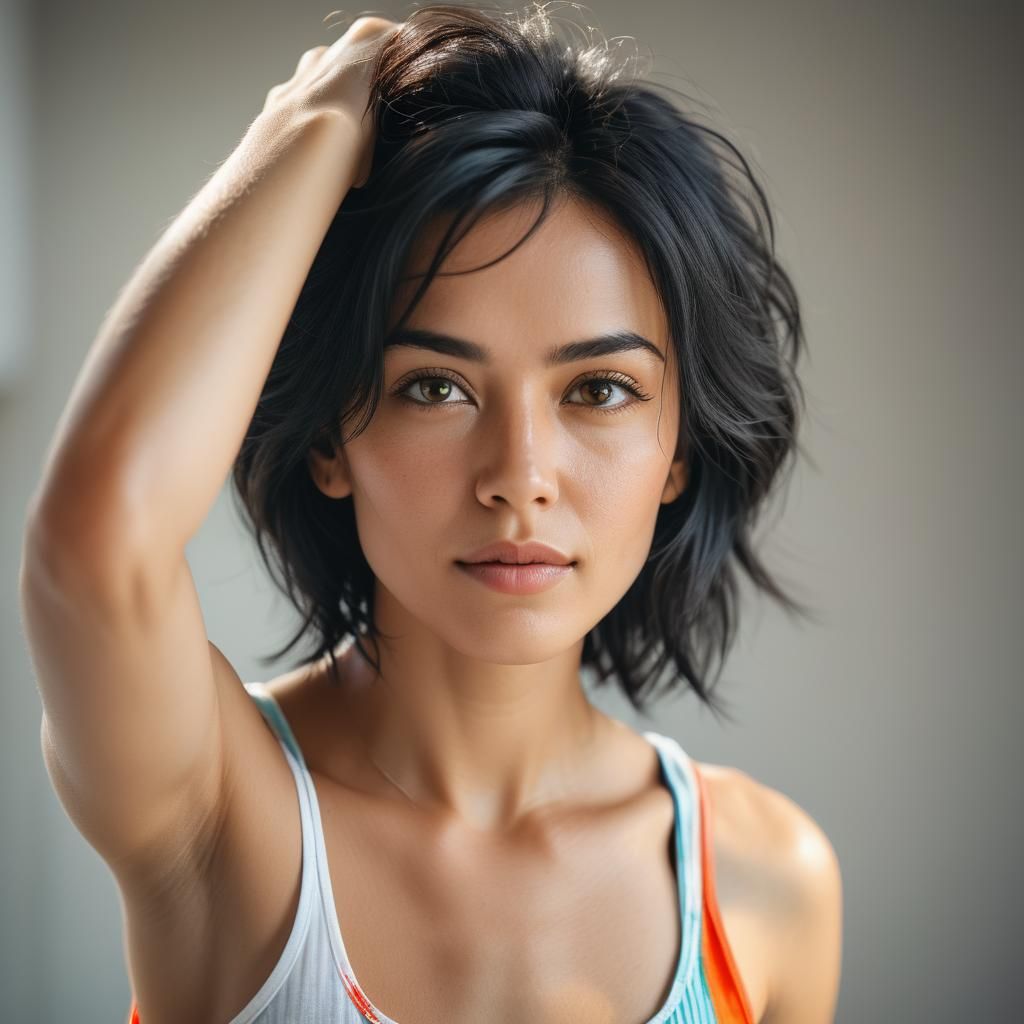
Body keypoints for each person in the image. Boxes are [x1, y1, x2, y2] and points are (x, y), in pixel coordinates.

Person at [19, 4, 842, 1022]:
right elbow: (95, 538)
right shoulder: (218, 811)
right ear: (331, 441)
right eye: (434, 388)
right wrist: (316, 123)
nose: (519, 476)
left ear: (677, 453)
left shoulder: (768, 880)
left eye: (597, 390)